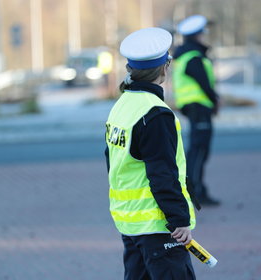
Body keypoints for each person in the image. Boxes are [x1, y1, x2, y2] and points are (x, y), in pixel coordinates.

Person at [104, 27, 197, 280]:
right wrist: (179, 219)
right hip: (158, 225)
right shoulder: (155, 113)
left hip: (130, 223)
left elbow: (112, 162)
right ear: (165, 68)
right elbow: (162, 173)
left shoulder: (122, 106)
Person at [172, 15, 221, 206]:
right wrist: (214, 99)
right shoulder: (193, 57)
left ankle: (197, 188)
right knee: (198, 150)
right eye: (202, 33)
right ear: (197, 35)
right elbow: (204, 84)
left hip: (194, 106)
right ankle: (194, 191)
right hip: (198, 106)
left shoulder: (186, 54)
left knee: (198, 150)